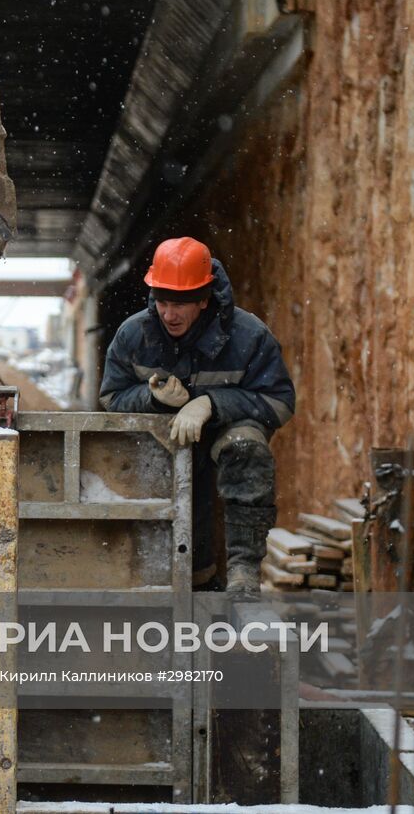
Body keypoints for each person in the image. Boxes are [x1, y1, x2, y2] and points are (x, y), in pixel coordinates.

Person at [99, 237, 294, 596]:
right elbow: (111, 397)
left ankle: (242, 572)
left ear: (204, 299)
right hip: (161, 439)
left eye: (179, 304)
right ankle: (174, 580)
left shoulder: (249, 337)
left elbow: (279, 401)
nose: (169, 314)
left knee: (245, 447)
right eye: (162, 302)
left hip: (224, 435)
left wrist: (210, 404)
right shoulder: (134, 335)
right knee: (174, 496)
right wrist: (152, 399)